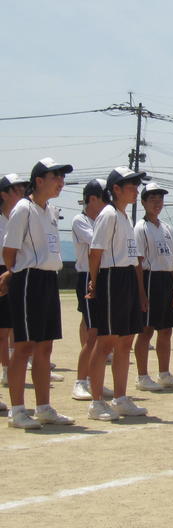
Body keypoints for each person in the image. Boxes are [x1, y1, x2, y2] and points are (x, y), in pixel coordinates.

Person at [2, 158, 75, 428]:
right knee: (24, 346)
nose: (60, 183)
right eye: (55, 177)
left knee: (45, 345)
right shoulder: (24, 208)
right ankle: (18, 410)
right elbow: (9, 252)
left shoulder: (50, 210)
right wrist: (14, 273)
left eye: (62, 178)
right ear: (39, 180)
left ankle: (44, 407)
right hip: (28, 279)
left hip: (47, 279)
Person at [85, 167, 150, 421]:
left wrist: (140, 292)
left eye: (136, 185)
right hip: (111, 278)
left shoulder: (124, 217)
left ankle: (121, 398)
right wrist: (94, 282)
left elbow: (134, 259)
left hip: (127, 280)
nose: (136, 190)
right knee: (106, 342)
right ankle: (96, 401)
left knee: (126, 341)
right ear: (116, 189)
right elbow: (95, 251)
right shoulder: (109, 214)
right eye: (131, 186)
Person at [133, 183, 173, 392]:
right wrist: (141, 293)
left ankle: (164, 373)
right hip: (150, 278)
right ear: (143, 202)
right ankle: (142, 376)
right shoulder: (141, 228)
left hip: (167, 281)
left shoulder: (167, 228)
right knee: (146, 330)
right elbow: (138, 262)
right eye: (152, 199)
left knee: (166, 330)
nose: (157, 203)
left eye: (160, 199)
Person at [71, 179, 114, 401]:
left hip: (102, 275)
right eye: (104, 199)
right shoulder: (80, 220)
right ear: (92, 199)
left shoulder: (103, 219)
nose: (108, 204)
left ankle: (94, 380)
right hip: (87, 275)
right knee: (92, 333)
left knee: (101, 332)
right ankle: (80, 381)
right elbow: (99, 243)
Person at [0, 173, 29, 407]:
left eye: (22, 188)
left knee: (12, 328)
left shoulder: (20, 217)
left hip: (15, 273)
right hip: (3, 271)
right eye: (15, 189)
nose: (21, 192)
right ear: (4, 194)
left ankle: (9, 369)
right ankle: (5, 370)